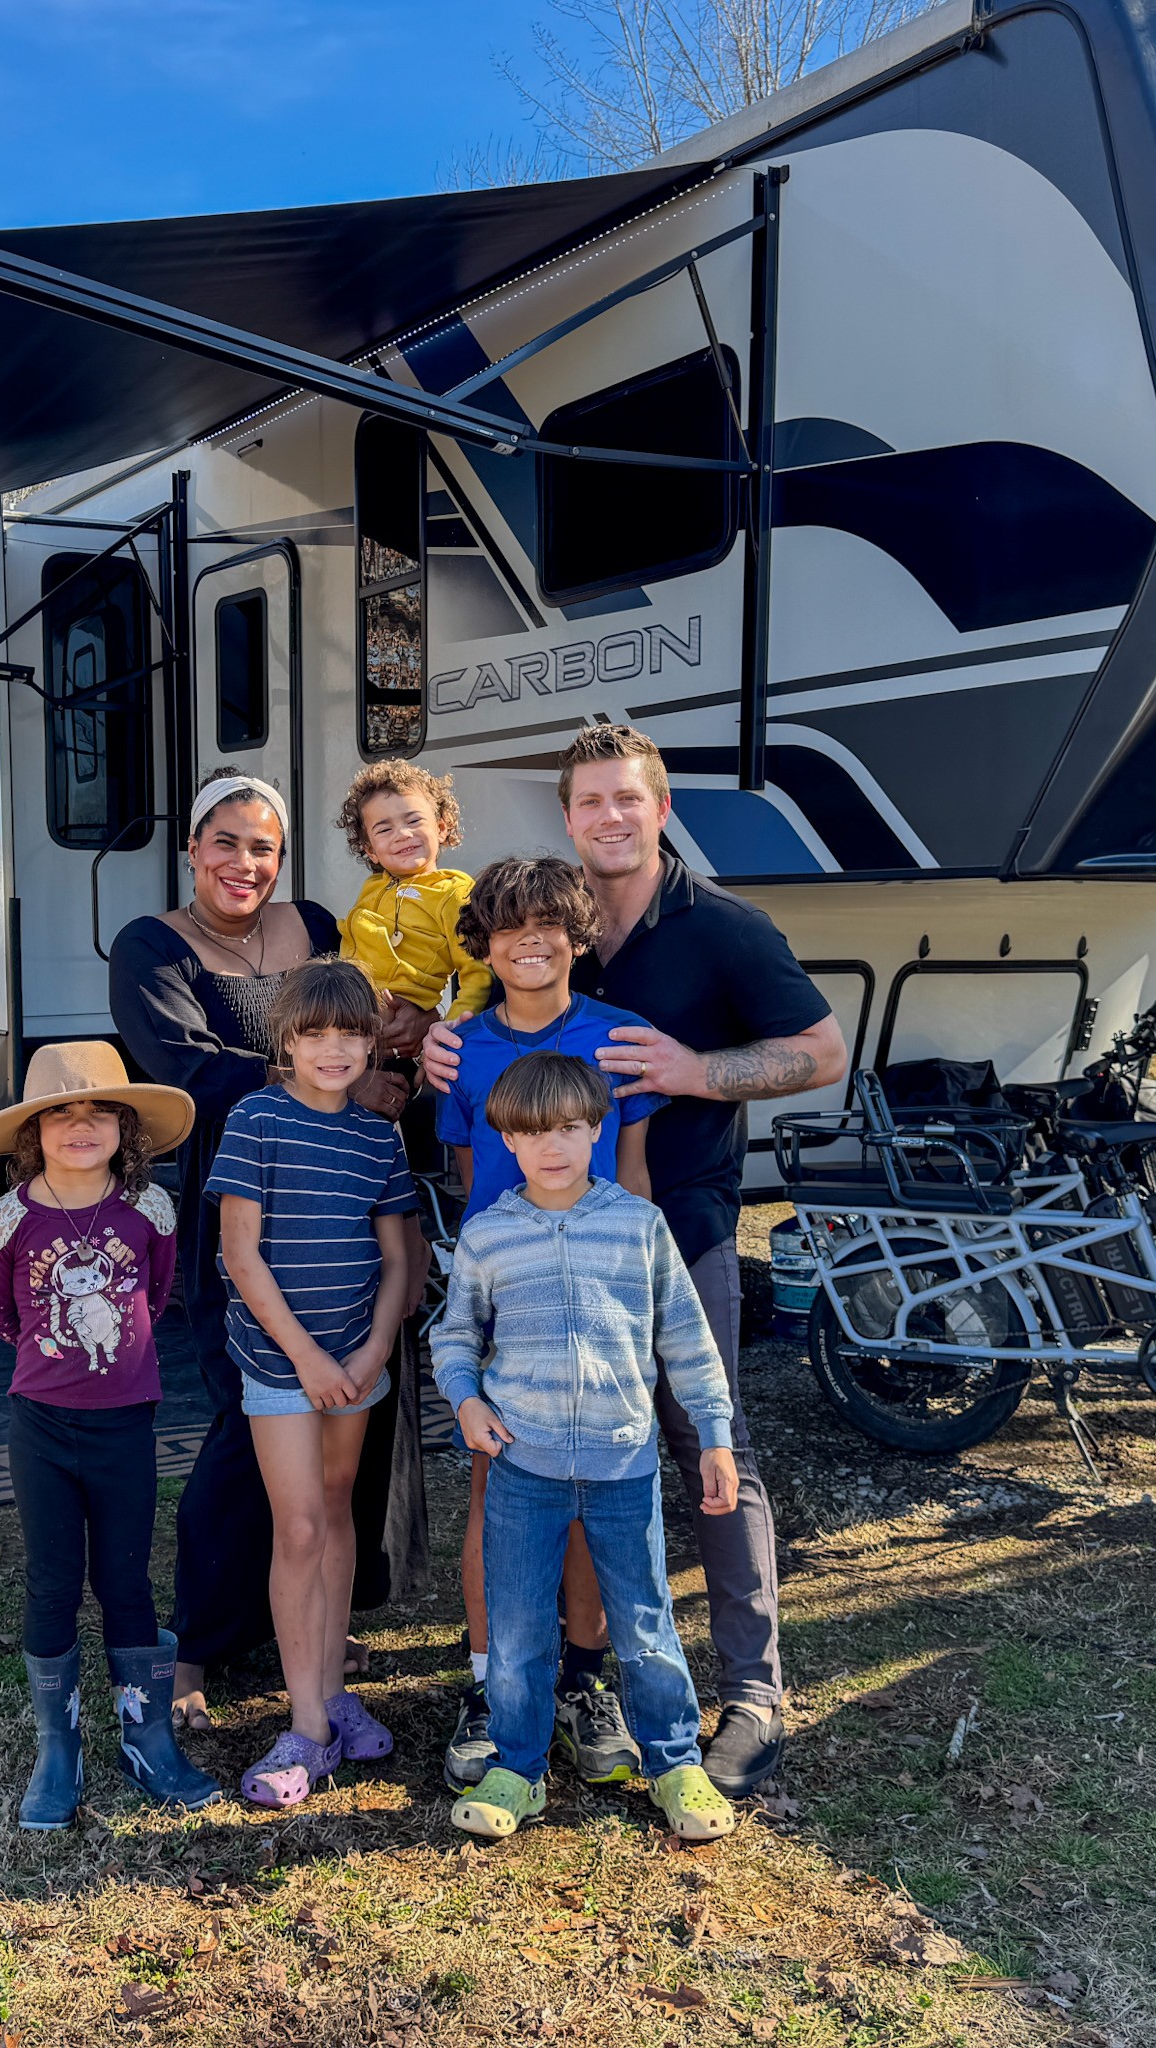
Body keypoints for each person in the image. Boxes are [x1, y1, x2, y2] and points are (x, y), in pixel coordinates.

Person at [423, 727, 847, 1797]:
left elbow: (821, 1050)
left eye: (628, 798)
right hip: (527, 1255)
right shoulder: (557, 927)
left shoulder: (722, 929)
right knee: (540, 1462)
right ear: (566, 818)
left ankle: (753, 1692)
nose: (609, 816)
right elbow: (489, 1067)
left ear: (658, 808)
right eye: (588, 801)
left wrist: (699, 1068)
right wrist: (430, 1042)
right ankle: (553, 1673)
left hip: (678, 1226)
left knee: (705, 1438)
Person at [108, 768, 431, 1732]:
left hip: (347, 1189)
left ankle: (323, 1605)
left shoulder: (323, 926)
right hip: (243, 1198)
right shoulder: (153, 945)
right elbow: (183, 1065)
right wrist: (319, 1076)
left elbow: (370, 1013)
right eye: (225, 842)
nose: (243, 864)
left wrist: (403, 1050)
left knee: (352, 1407)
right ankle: (201, 1640)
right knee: (242, 1417)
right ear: (192, 847)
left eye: (264, 847)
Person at [432, 1052, 740, 1842]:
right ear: (505, 1138)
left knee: (643, 1621)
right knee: (517, 1629)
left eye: (570, 1128)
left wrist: (713, 1435)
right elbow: (456, 1335)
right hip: (521, 1469)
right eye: (533, 1133)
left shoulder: (637, 1225)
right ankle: (518, 1767)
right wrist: (465, 1403)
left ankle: (674, 1762)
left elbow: (686, 1337)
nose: (553, 1147)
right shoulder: (490, 1234)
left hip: (621, 1467)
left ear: (596, 1130)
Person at [433, 855, 666, 1795]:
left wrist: (642, 1312)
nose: (528, 942)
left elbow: (636, 1174)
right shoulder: (460, 1048)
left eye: (546, 924)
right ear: (483, 944)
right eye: (505, 927)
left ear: (578, 934)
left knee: (594, 1493)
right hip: (509, 1304)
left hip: (607, 1301)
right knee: (503, 1489)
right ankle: (494, 1686)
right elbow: (466, 1183)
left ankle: (579, 1682)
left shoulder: (620, 1038)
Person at [0, 1041, 221, 1829]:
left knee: (126, 1579)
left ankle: (146, 1739)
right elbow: (1, 1315)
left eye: (98, 1111)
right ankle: (59, 1746)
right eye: (60, 1113)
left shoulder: (149, 1210)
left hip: (126, 1426)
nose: (80, 1126)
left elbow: (154, 1288)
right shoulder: (5, 1221)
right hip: (40, 1425)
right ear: (32, 1131)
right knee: (51, 1580)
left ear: (125, 1126)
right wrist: (59, 1359)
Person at [207, 958, 417, 1805]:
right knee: (296, 1529)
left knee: (336, 1514)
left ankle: (331, 1690)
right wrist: (307, 1357)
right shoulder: (255, 1120)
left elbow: (400, 1260)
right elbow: (239, 1252)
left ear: (372, 1043)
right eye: (314, 1036)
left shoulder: (379, 1136)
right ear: (284, 1042)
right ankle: (305, 1728)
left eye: (351, 1035)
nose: (333, 1051)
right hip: (282, 1363)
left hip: (356, 1363)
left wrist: (368, 1356)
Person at [334, 759, 492, 1027]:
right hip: (343, 1004)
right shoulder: (372, 887)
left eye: (414, 820)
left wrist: (451, 1032)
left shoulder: (454, 893)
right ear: (370, 849)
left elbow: (477, 975)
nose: (403, 834)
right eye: (384, 829)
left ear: (442, 827)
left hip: (392, 1017)